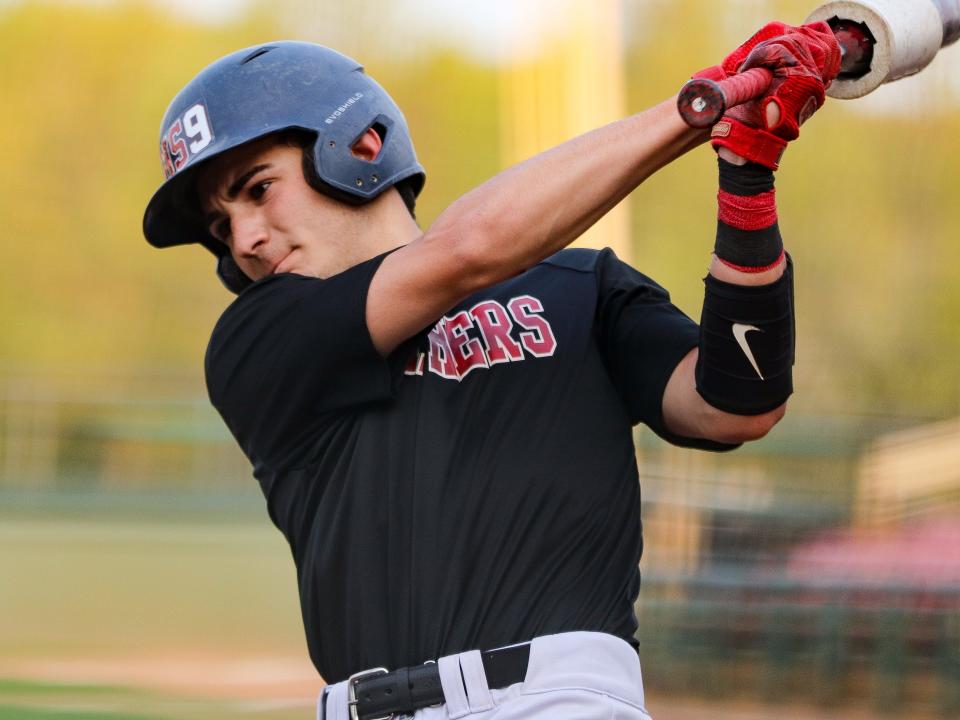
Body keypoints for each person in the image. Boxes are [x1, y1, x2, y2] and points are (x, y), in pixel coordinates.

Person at [143, 21, 840, 720]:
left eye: (258, 189)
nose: (244, 240)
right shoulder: (257, 342)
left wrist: (747, 182)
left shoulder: (580, 287)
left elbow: (732, 405)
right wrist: (708, 103)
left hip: (560, 701)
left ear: (360, 145)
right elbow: (467, 251)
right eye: (220, 225)